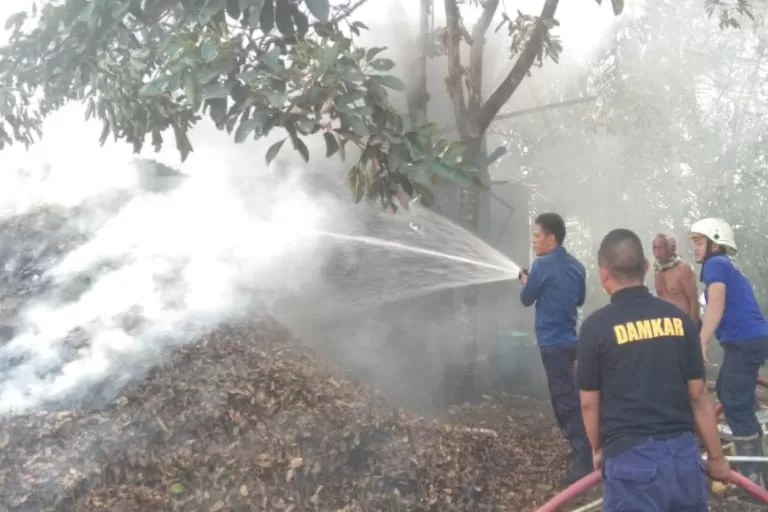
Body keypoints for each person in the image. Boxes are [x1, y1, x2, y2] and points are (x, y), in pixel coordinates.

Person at [577, 228, 730, 511]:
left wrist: (598, 449)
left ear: (603, 274)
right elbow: (698, 395)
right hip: (683, 458)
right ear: (647, 267)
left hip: (630, 464)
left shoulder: (594, 328)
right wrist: (717, 457)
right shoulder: (680, 321)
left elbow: (588, 403)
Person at [690, 217, 768, 486]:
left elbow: (717, 304)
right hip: (747, 340)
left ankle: (753, 481)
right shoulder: (722, 266)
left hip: (744, 342)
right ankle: (757, 465)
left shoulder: (716, 264)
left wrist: (701, 341)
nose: (695, 248)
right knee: (727, 389)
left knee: (734, 400)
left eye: (699, 241)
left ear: (715, 242)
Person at [518, 212, 591, 484]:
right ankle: (590, 446)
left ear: (552, 238)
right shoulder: (577, 266)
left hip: (551, 344)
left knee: (564, 401)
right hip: (572, 341)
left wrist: (526, 280)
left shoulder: (541, 265)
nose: (533, 241)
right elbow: (580, 299)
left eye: (537, 236)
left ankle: (583, 459)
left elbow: (527, 299)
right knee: (575, 394)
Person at [652, 232, 700, 326]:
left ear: (672, 249)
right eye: (654, 248)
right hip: (668, 326)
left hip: (685, 323)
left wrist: (692, 329)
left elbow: (694, 301)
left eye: (660, 248)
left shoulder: (683, 269)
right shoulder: (657, 272)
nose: (657, 252)